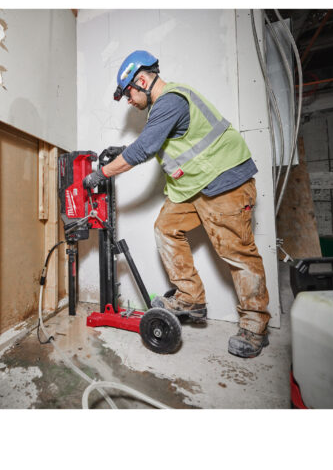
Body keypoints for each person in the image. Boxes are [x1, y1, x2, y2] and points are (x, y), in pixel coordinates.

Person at [83, 50, 271, 358]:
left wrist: (100, 174)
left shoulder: (170, 100)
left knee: (236, 252)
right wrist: (123, 150)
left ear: (142, 81)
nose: (129, 100)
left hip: (224, 181)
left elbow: (145, 149)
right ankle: (190, 298)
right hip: (193, 188)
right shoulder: (162, 108)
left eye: (128, 93)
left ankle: (254, 325)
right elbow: (158, 142)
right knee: (166, 228)